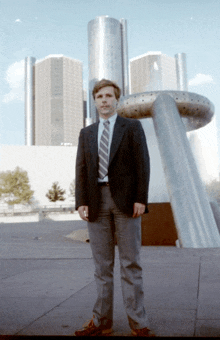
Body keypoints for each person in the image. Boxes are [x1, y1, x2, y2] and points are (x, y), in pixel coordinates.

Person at [74, 79, 154, 337]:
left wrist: (141, 197)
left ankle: (138, 323)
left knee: (131, 263)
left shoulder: (131, 127)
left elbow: (143, 163)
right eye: (99, 96)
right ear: (95, 101)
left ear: (117, 100)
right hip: (96, 202)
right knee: (102, 266)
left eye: (109, 96)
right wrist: (81, 201)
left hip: (126, 201)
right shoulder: (86, 133)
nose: (104, 100)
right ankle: (101, 322)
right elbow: (82, 169)